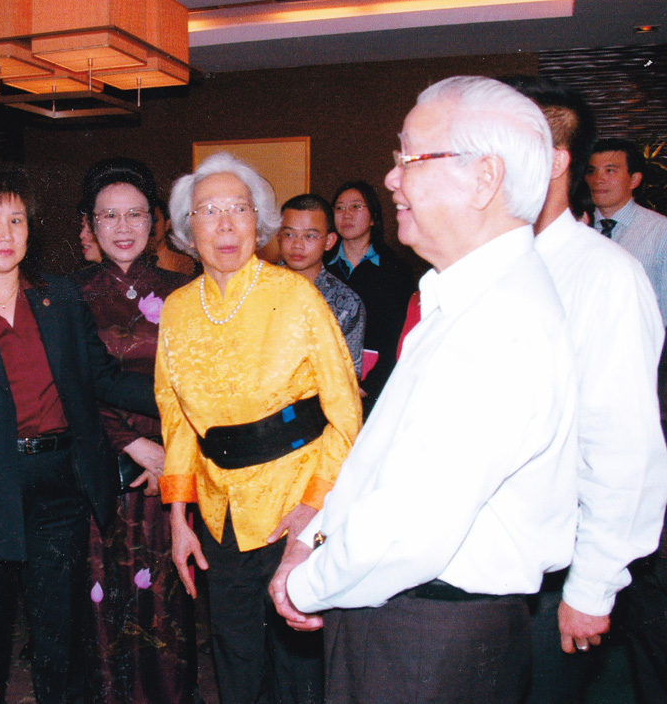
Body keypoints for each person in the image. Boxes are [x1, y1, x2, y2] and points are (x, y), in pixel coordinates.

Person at [271, 76, 581, 704]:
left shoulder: (498, 322)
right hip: (406, 619)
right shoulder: (462, 295)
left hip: (424, 636)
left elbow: (408, 525)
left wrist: (306, 583)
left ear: (484, 178)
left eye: (410, 158)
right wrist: (316, 537)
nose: (392, 180)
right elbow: (382, 459)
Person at [0, 158, 158, 704]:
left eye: (16, 220)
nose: (5, 234)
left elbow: (103, 378)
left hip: (59, 484)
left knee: (61, 634)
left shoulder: (58, 300)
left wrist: (189, 400)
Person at [157, 152, 362, 704]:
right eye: (209, 211)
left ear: (259, 221)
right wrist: (178, 517)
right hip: (219, 514)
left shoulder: (296, 297)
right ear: (187, 229)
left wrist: (315, 505)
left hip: (293, 506)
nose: (225, 224)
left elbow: (345, 413)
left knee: (297, 664)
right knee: (235, 656)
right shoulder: (177, 309)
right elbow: (176, 421)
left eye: (239, 208)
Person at [501, 75, 667, 704]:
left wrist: (592, 587)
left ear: (552, 162)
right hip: (487, 565)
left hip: (555, 570)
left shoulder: (604, 276)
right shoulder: (489, 266)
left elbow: (624, 448)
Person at [71, 157, 195, 704]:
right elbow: (67, 386)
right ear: (90, 224)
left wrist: (169, 453)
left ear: (156, 221)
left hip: (170, 467)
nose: (122, 228)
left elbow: (199, 385)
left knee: (166, 599)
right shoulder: (64, 294)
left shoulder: (186, 291)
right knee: (99, 598)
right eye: (108, 216)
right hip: (99, 465)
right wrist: (131, 444)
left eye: (135, 214)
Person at [323, 179, 414, 416]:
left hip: (378, 388)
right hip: (325, 385)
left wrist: (369, 386)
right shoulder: (322, 266)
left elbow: (400, 337)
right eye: (339, 208)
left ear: (373, 217)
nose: (346, 215)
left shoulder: (396, 269)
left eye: (356, 206)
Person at [278, 194, 366, 378]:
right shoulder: (256, 286)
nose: (297, 245)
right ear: (278, 236)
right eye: (289, 234)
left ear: (329, 241)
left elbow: (346, 377)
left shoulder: (346, 303)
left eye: (309, 236)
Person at [585, 138, 667, 318]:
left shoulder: (661, 232)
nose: (598, 179)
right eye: (592, 171)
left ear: (634, 180)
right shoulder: (577, 229)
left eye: (610, 170)